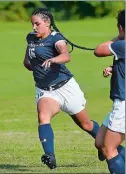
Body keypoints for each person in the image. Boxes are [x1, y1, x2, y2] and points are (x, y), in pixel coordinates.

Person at [23, 8, 101, 169]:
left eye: (37, 24)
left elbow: (66, 55)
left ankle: (104, 143)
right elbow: (27, 61)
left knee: (85, 124)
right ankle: (50, 156)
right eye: (32, 24)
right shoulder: (30, 38)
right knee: (43, 116)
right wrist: (31, 65)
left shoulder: (56, 39)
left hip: (66, 88)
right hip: (45, 90)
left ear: (47, 23)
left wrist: (53, 59)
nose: (34, 27)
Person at [94, 9, 125, 174]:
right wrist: (115, 68)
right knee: (100, 142)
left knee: (109, 149)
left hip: (124, 104)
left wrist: (119, 37)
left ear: (120, 27)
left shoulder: (122, 44)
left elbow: (98, 50)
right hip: (120, 103)